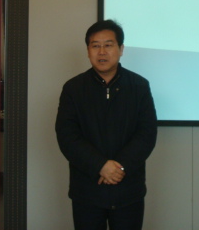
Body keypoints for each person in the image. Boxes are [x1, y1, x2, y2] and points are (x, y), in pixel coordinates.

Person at [55, 19, 158, 230]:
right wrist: (100, 166)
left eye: (108, 45)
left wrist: (120, 166)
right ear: (88, 51)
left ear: (121, 49)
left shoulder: (139, 86)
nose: (102, 52)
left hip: (128, 189)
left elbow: (146, 134)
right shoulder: (73, 89)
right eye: (95, 46)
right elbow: (67, 136)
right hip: (87, 190)